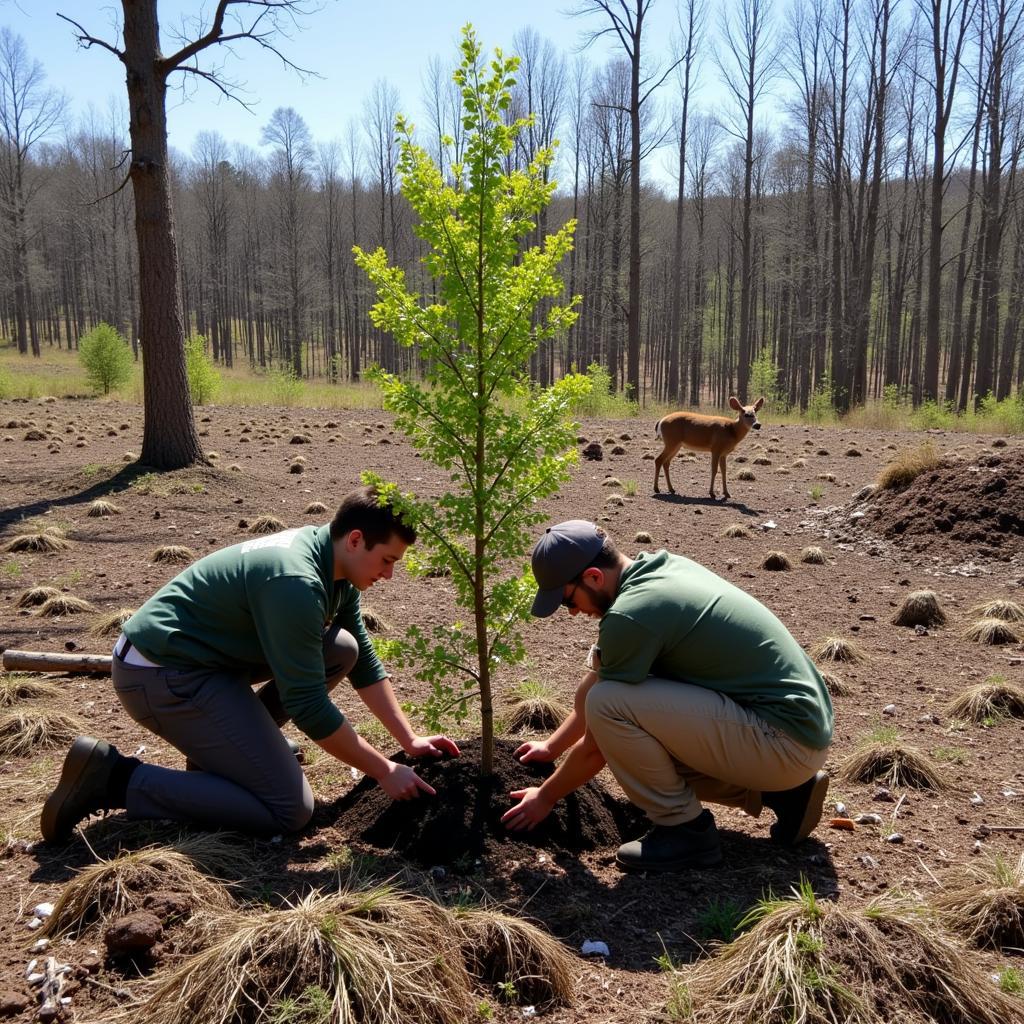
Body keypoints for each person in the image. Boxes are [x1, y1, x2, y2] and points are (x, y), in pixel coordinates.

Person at [41, 485, 459, 842]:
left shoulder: (333, 565)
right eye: (387, 560)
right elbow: (307, 705)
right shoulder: (295, 583)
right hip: (160, 676)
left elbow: (362, 660)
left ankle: (222, 756)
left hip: (205, 667)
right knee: (290, 809)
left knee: (341, 648)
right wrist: (384, 770)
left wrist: (409, 741)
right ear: (354, 539)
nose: (389, 575)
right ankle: (112, 778)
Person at [501, 520, 833, 871]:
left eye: (568, 599)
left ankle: (685, 832)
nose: (572, 612)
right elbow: (596, 679)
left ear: (594, 577)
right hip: (798, 733)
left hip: (783, 742)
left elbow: (598, 738)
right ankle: (785, 795)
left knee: (613, 716)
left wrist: (546, 796)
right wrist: (552, 747)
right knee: (626, 729)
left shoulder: (632, 615)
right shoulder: (658, 571)